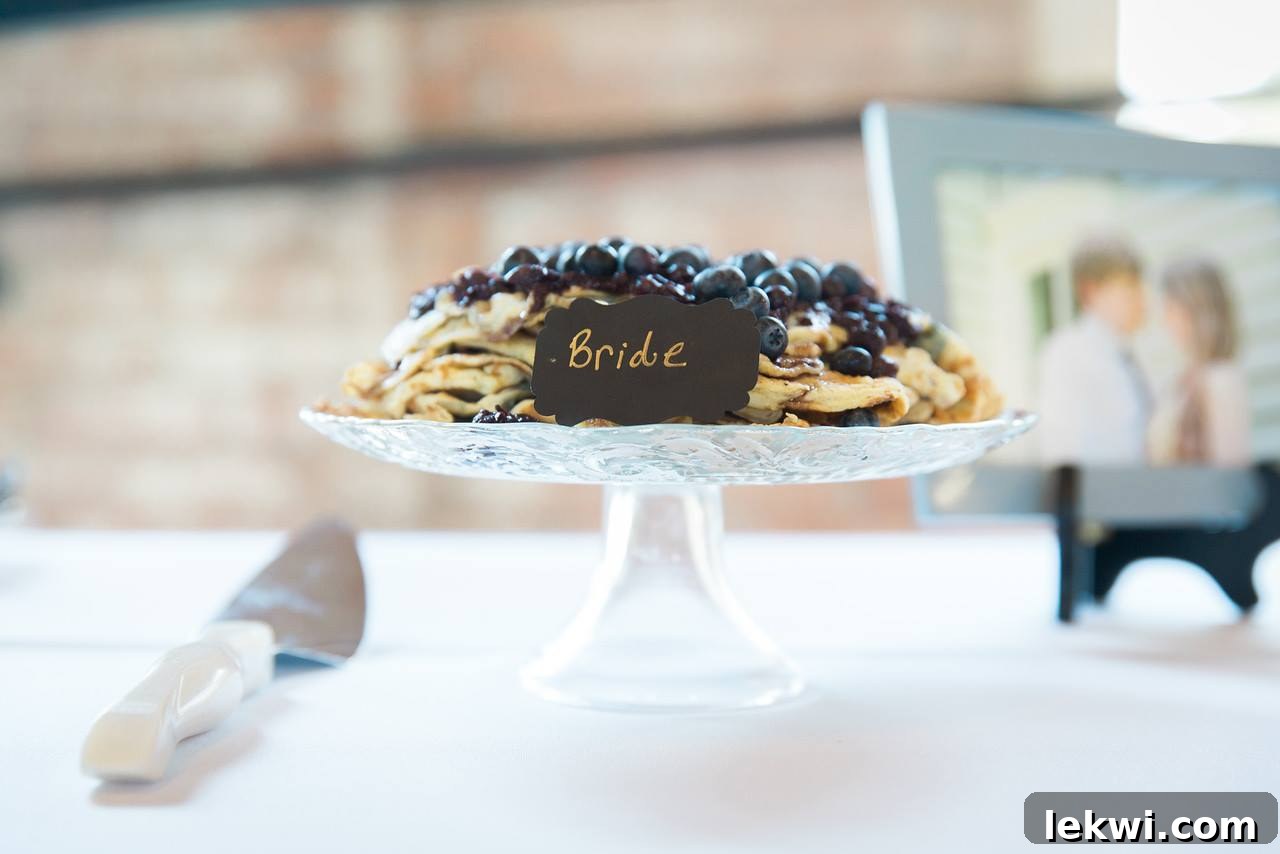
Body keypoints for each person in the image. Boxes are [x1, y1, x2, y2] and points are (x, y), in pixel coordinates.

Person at [1037, 235, 1150, 465]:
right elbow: (1061, 451)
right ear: (1090, 291)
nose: (1140, 299)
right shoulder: (1067, 353)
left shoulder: (1126, 353)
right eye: (1128, 287)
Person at [1147, 257, 1249, 466]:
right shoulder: (1183, 381)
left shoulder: (1221, 381)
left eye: (1169, 307)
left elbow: (1230, 478)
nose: (1164, 319)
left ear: (1193, 310)